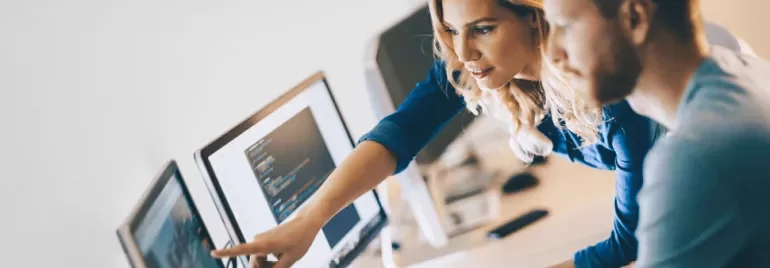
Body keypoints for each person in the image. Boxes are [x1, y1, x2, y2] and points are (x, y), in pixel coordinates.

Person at [211, 0, 659, 267]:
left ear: (533, 17)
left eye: (483, 28)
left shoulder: (613, 92)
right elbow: (401, 131)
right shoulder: (477, 66)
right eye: (450, 30)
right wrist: (307, 222)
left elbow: (632, 242)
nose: (463, 54)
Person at [542, 0, 770, 267]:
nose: (553, 53)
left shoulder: (695, 155)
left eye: (565, 26)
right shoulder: (746, 71)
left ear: (635, 19)